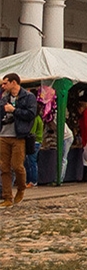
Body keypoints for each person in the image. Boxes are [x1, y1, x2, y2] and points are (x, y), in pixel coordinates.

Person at [0, 73, 39, 206]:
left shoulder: (28, 97)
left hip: (19, 136)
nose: (3, 86)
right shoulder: (4, 97)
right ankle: (7, 197)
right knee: (4, 168)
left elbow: (31, 114)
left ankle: (21, 188)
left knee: (17, 166)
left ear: (14, 83)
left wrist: (14, 110)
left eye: (5, 83)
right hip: (3, 135)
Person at [23, 112, 43, 189]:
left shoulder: (34, 119)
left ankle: (33, 181)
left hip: (34, 142)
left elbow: (31, 131)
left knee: (31, 162)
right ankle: (29, 180)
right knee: (30, 161)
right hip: (36, 141)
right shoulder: (39, 118)